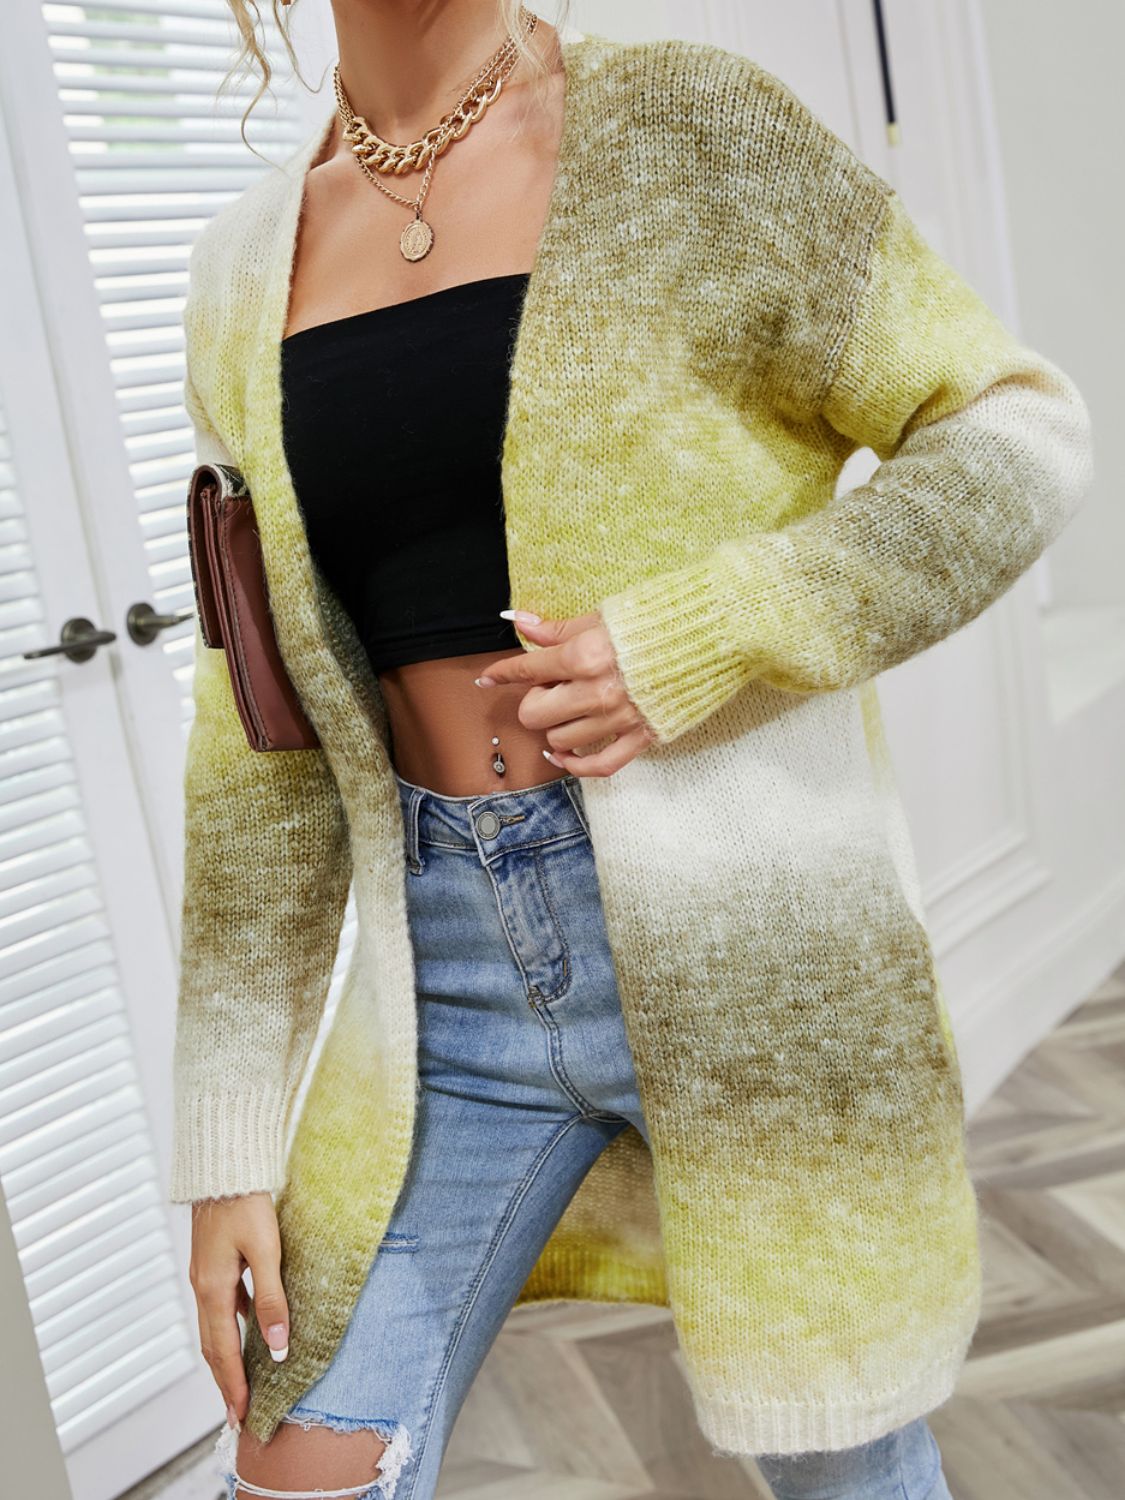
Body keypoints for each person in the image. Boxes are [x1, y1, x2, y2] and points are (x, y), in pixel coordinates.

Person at [171, 4, 1095, 1499]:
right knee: (298, 1456)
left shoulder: (694, 131)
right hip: (441, 986)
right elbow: (255, 738)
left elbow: (1015, 430)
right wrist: (226, 1148)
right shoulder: (239, 272)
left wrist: (719, 630)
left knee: (842, 1457)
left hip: (754, 956)